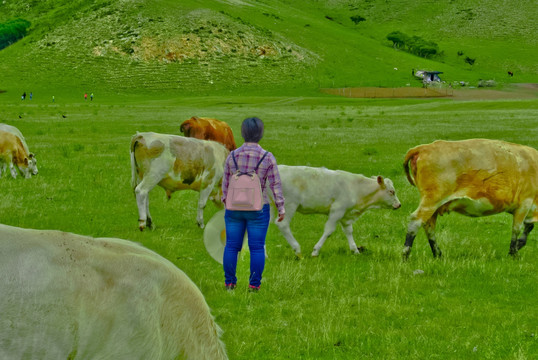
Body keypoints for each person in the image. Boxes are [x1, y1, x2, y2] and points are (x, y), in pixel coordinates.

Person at [221, 117, 285, 292]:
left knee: (231, 246)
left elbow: (225, 182)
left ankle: (229, 283)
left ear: (242, 133)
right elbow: (275, 185)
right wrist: (281, 207)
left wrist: (226, 201)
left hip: (234, 208)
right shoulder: (267, 157)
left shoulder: (232, 156)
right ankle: (254, 285)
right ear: (260, 134)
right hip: (258, 207)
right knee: (257, 247)